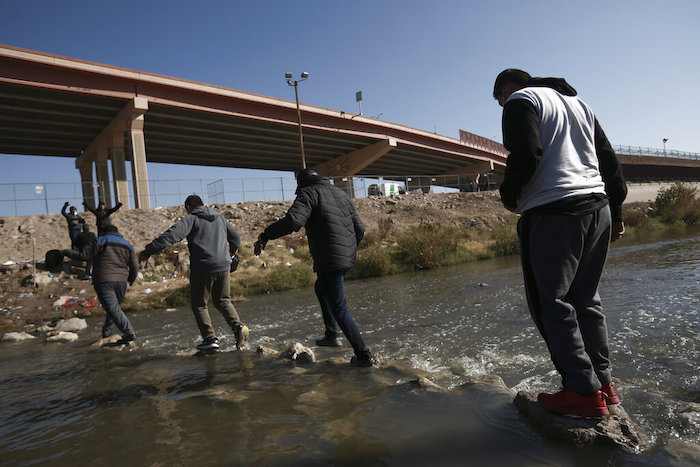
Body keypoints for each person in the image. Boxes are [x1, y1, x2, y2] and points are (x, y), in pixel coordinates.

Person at [493, 69, 627, 417]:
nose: (502, 106)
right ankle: (605, 386)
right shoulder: (578, 102)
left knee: (551, 303)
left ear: (506, 89)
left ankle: (582, 392)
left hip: (554, 213)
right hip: (597, 208)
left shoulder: (521, 100)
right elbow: (609, 161)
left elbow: (527, 152)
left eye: (499, 100)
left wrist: (509, 196)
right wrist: (619, 211)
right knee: (586, 300)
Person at [254, 168, 378, 367]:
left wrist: (265, 235)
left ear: (301, 183)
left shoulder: (308, 192)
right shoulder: (340, 193)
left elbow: (294, 221)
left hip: (330, 258)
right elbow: (360, 230)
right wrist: (349, 250)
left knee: (339, 308)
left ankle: (364, 355)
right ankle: (331, 334)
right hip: (346, 257)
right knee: (321, 287)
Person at [138, 195, 248, 351]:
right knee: (223, 301)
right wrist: (230, 253)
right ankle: (239, 328)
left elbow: (171, 236)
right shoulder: (219, 218)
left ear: (189, 207)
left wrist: (148, 251)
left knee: (199, 304)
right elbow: (235, 238)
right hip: (224, 266)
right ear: (202, 204)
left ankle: (210, 339)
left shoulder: (192, 218)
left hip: (203, 267)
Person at [65, 224, 138, 343]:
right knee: (114, 308)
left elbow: (85, 255)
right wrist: (131, 279)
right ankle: (107, 332)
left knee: (112, 308)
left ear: (104, 232)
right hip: (121, 281)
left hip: (104, 279)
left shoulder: (100, 240)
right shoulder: (127, 244)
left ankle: (129, 333)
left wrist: (66, 252)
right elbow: (134, 265)